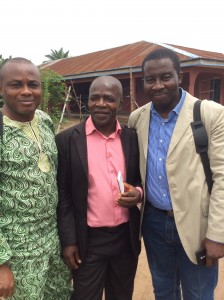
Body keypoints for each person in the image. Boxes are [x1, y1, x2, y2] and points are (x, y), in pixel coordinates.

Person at [128, 48, 224, 300]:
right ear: (143, 82)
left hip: (197, 225)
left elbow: (223, 178)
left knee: (199, 293)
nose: (158, 85)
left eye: (166, 77)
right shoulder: (137, 119)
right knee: (164, 291)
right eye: (150, 79)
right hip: (154, 223)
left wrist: (217, 234)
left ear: (179, 76)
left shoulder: (209, 114)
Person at [56, 75, 142, 300]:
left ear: (120, 102)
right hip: (88, 241)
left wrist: (138, 194)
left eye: (109, 98)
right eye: (95, 98)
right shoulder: (67, 140)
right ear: (88, 101)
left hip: (125, 238)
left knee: (121, 295)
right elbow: (63, 195)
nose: (101, 104)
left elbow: (141, 180)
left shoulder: (132, 137)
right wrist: (69, 240)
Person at [0, 58, 72, 299]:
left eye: (33, 84)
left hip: (53, 241)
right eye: (16, 85)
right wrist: (1, 264)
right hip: (17, 251)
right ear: (1, 89)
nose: (26, 91)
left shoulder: (44, 120)